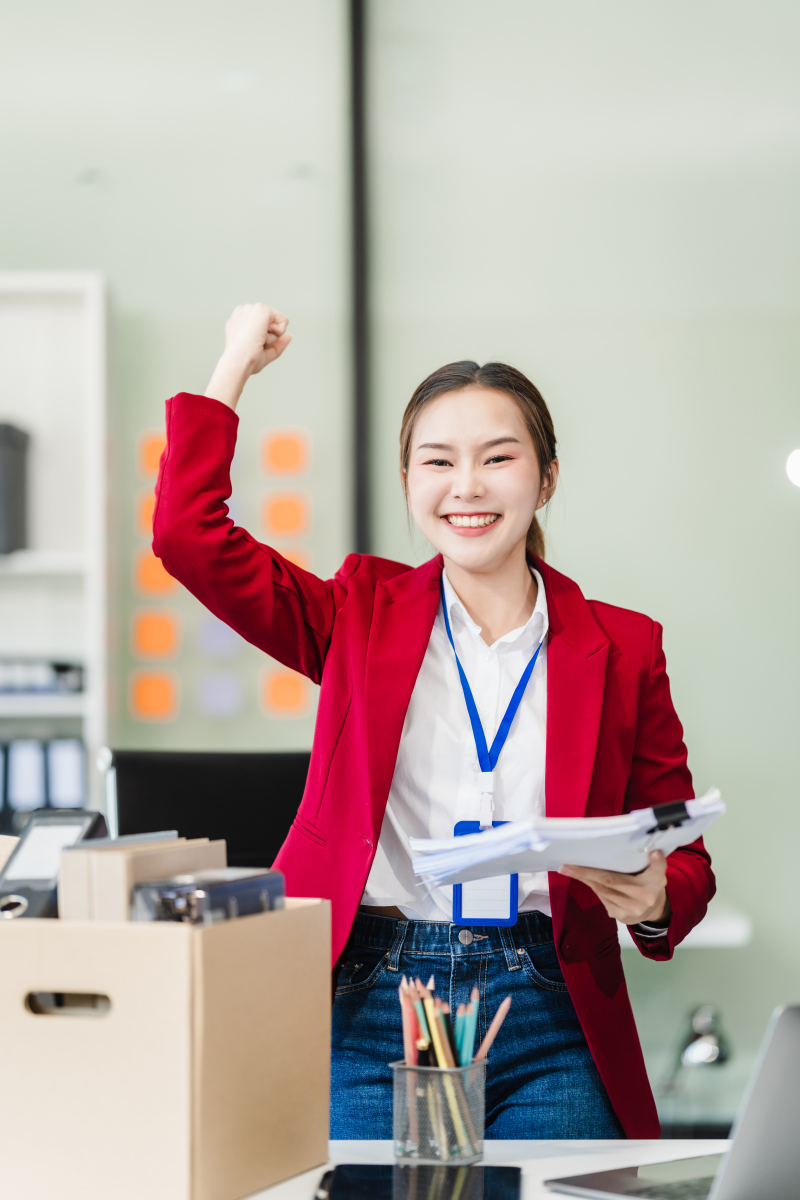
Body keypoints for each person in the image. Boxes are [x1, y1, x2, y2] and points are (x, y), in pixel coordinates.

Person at [152, 303, 715, 1140]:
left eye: (498, 458)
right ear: (409, 482)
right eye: (437, 462)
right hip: (373, 992)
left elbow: (686, 858)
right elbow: (188, 536)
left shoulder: (624, 648)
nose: (467, 487)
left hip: (548, 1006)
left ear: (547, 477)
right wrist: (234, 364)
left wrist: (655, 896)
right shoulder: (359, 615)